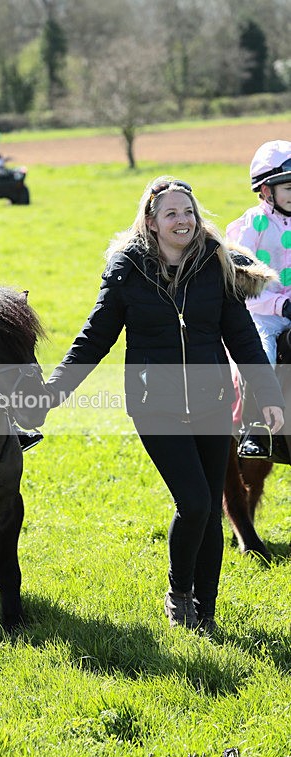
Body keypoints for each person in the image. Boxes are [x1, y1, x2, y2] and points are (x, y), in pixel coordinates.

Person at [35, 177, 285, 633]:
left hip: (212, 400)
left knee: (210, 508)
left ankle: (205, 612)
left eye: (188, 212)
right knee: (193, 502)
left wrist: (267, 394)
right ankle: (179, 593)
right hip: (156, 404)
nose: (183, 221)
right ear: (150, 221)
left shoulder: (216, 264)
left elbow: (243, 337)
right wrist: (53, 391)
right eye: (171, 214)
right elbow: (94, 338)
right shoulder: (127, 269)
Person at [226, 140, 291, 458]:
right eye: (289, 187)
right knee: (259, 354)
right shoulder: (252, 224)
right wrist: (281, 305)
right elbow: (244, 281)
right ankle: (254, 430)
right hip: (261, 311)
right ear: (266, 191)